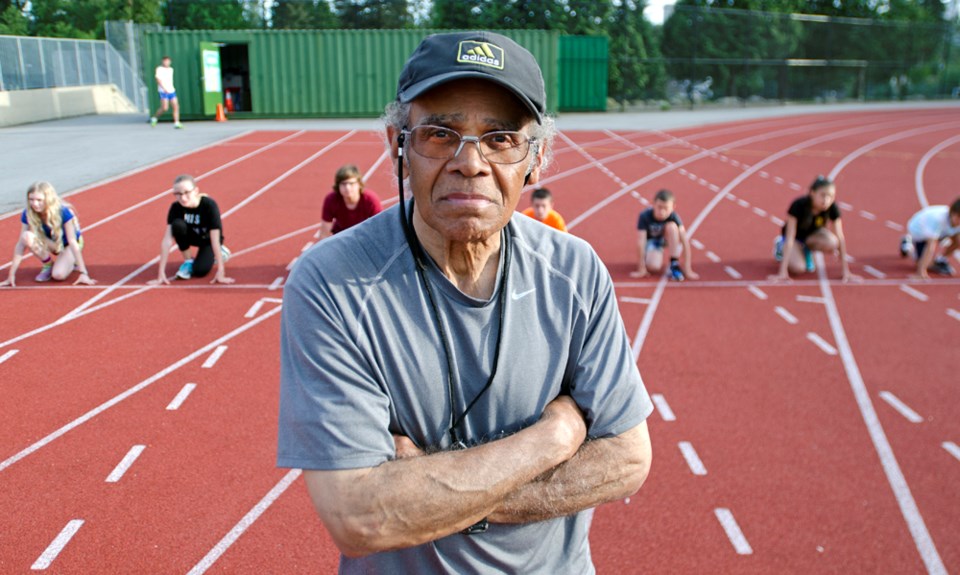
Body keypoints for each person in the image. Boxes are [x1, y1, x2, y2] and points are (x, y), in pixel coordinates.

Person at [277, 31, 653, 573]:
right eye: (439, 133)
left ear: (538, 158)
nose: (470, 162)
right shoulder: (333, 283)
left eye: (500, 138)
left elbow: (628, 461)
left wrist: (429, 491)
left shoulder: (575, 271)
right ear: (396, 147)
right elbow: (359, 516)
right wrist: (555, 437)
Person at [0, 181, 96, 287]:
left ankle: (72, 263)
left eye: (39, 200)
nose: (35, 204)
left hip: (67, 245)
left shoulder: (63, 212)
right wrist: (11, 274)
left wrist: (84, 272)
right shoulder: (28, 213)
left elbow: (73, 242)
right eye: (31, 199)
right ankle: (48, 264)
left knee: (58, 275)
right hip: (50, 243)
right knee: (26, 236)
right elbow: (20, 245)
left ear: (48, 199)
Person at [770, 175, 856, 282]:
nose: (826, 200)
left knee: (833, 242)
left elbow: (840, 237)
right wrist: (782, 272)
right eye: (823, 195)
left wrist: (846, 271)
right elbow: (790, 235)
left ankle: (806, 251)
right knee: (798, 268)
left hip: (811, 237)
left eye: (830, 196)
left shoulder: (832, 208)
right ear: (812, 193)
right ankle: (780, 245)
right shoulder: (798, 206)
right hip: (794, 238)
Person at [152, 174, 233, 284]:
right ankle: (188, 261)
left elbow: (215, 238)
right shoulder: (176, 208)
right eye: (178, 194)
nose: (183, 198)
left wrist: (221, 271)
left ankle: (220, 251)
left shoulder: (209, 205)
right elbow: (167, 241)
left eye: (187, 192)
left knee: (200, 271)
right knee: (177, 225)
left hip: (208, 239)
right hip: (191, 236)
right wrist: (161, 272)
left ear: (195, 191)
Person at [629, 189, 698, 281]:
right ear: (653, 204)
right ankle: (649, 258)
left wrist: (688, 269)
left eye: (666, 208)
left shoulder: (674, 216)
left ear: (673, 207)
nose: (662, 211)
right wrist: (641, 268)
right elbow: (641, 241)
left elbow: (684, 241)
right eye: (659, 207)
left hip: (666, 239)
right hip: (651, 242)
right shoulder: (645, 216)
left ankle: (674, 264)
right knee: (654, 268)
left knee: (672, 227)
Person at [317, 164, 382, 240]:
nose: (347, 188)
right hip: (341, 235)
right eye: (343, 184)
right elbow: (324, 233)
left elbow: (379, 228)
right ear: (338, 186)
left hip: (364, 235)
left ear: (359, 184)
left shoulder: (371, 200)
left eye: (351, 184)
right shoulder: (331, 199)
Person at [899, 198, 960, 279]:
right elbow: (930, 246)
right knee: (922, 263)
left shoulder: (955, 221)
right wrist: (921, 271)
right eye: (958, 217)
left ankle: (941, 259)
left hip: (942, 232)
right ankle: (907, 243)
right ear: (952, 213)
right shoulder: (937, 220)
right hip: (919, 233)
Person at [150, 56, 182, 129]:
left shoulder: (171, 69)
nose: (166, 62)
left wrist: (170, 88)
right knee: (165, 108)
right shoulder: (159, 69)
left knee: (176, 106)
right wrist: (164, 88)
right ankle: (154, 118)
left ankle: (176, 123)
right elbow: (158, 79)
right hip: (163, 91)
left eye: (168, 61)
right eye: (165, 61)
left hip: (172, 90)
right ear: (162, 61)